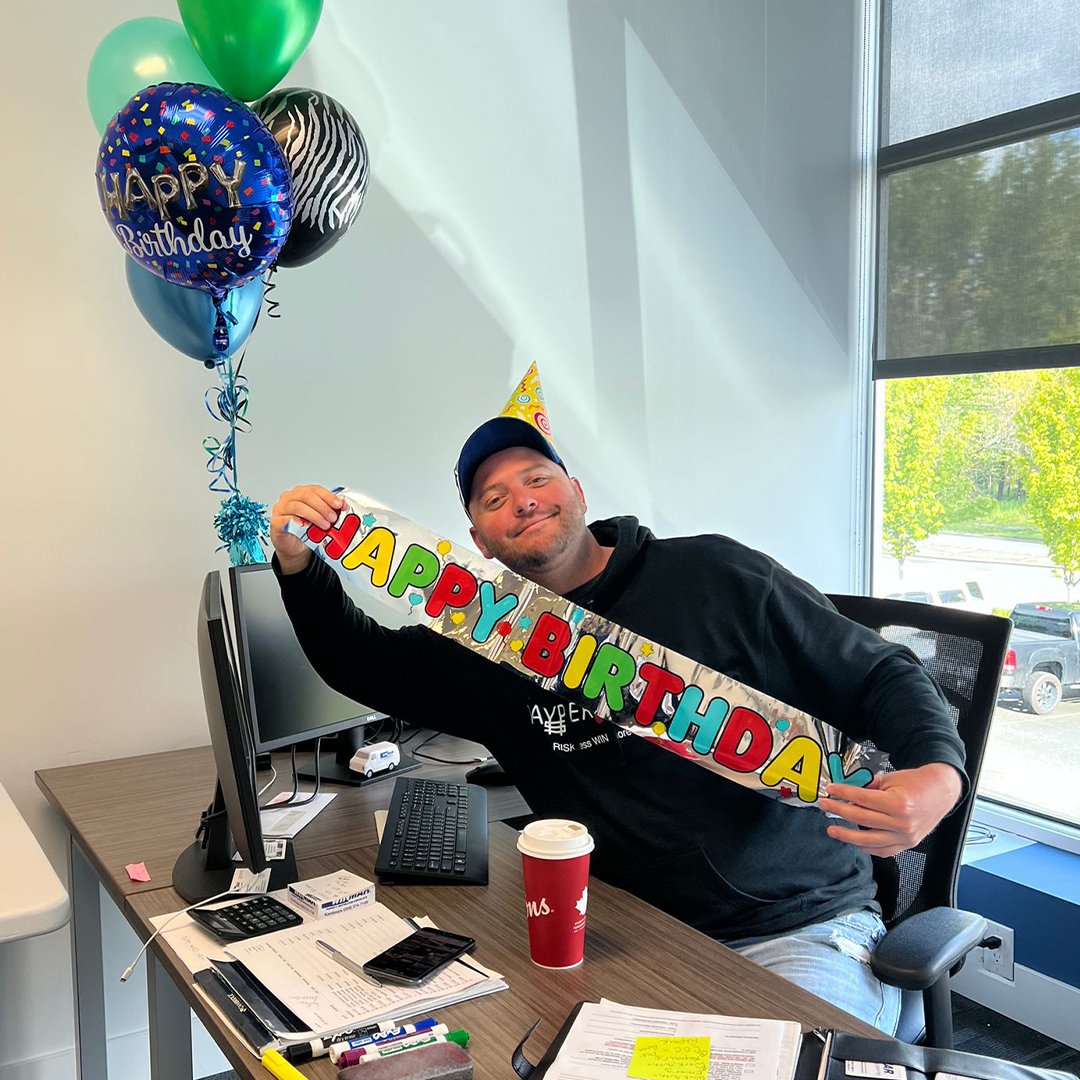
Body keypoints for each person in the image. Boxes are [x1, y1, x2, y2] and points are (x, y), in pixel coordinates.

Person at [269, 372, 965, 1036]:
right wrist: (300, 566)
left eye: (537, 478)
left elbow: (879, 671)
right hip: (625, 935)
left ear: (575, 491)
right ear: (478, 541)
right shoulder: (486, 640)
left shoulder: (712, 575)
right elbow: (362, 662)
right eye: (494, 497)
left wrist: (938, 771)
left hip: (796, 929)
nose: (523, 499)